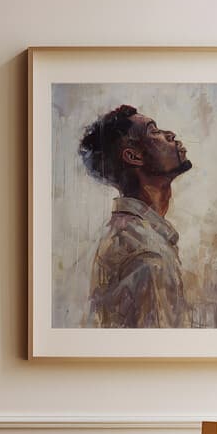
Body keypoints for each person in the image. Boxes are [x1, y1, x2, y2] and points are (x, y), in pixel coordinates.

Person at [78, 105, 195, 328]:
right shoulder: (149, 253)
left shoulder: (125, 234)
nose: (170, 135)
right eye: (154, 131)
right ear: (133, 156)